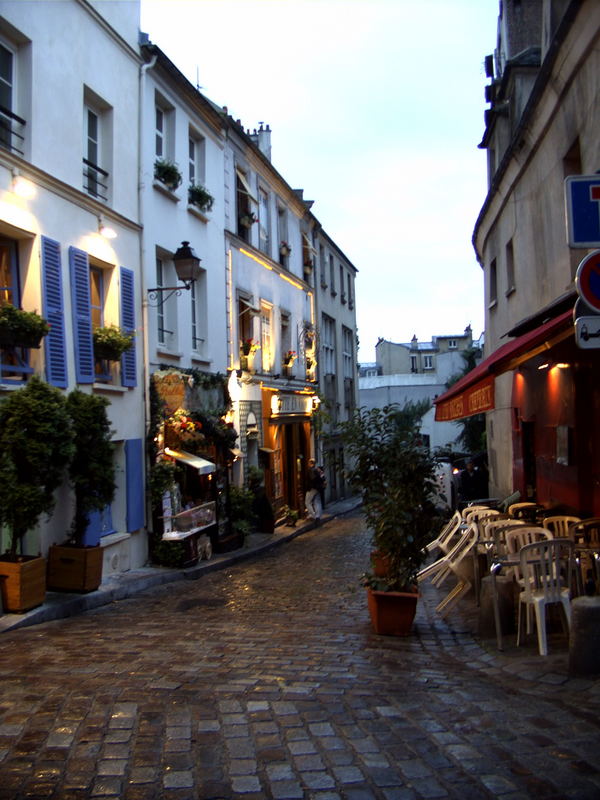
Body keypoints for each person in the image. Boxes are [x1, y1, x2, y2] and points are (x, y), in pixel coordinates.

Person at [305, 458, 323, 523]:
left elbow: (312, 479)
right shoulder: (317, 470)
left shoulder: (311, 470)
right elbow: (321, 477)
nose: (308, 464)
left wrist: (310, 485)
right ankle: (318, 516)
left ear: (310, 463)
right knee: (317, 502)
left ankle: (313, 515)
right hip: (318, 488)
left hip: (312, 488)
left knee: (307, 502)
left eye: (309, 463)